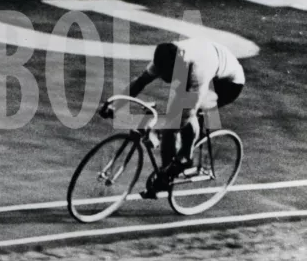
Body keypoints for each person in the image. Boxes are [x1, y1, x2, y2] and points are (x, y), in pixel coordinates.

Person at [100, 39, 245, 197]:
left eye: (166, 74)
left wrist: (157, 133)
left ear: (176, 67)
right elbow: (140, 82)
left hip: (227, 84)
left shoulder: (198, 72)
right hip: (205, 64)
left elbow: (188, 112)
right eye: (160, 73)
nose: (162, 78)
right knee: (173, 120)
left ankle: (185, 157)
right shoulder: (164, 60)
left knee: (182, 116)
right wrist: (116, 104)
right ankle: (166, 174)